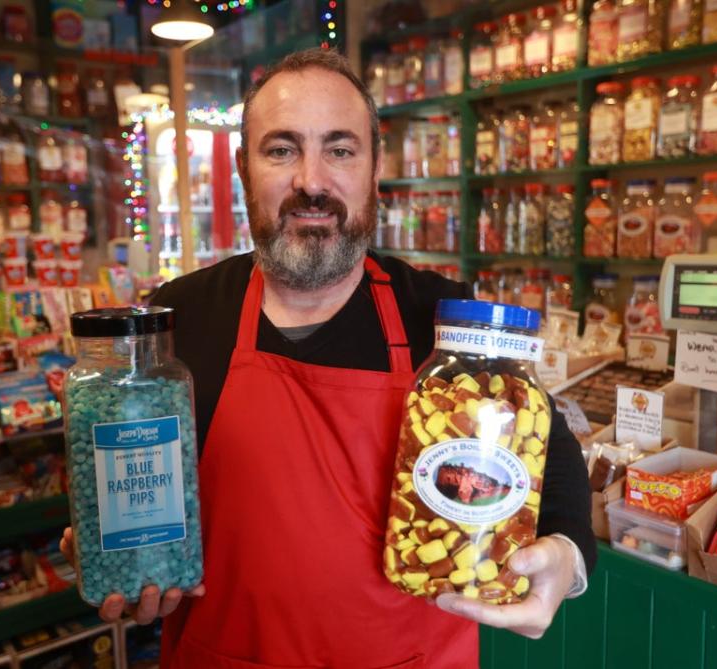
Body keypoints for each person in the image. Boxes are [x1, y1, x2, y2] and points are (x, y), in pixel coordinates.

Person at [60, 48, 595, 668]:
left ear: (374, 170)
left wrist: (565, 558)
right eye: (281, 149)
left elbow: (550, 455)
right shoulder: (178, 319)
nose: (311, 181)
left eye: (340, 150)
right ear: (242, 169)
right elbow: (112, 473)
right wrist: (114, 554)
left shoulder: (443, 319)